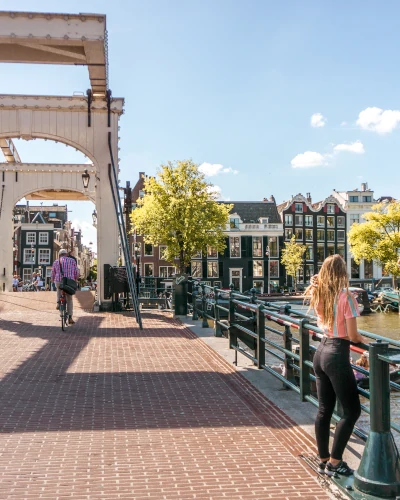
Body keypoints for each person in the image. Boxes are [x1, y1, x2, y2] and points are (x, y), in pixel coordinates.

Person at [305, 254, 363, 477]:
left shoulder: (319, 293)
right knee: (352, 411)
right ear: (343, 272)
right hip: (338, 354)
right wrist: (365, 342)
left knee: (324, 409)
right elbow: (353, 334)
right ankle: (335, 463)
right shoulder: (346, 296)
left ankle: (323, 460)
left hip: (321, 351)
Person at [51, 249, 79, 324]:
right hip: (69, 282)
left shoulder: (56, 262)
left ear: (59, 255)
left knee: (59, 291)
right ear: (66, 254)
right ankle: (70, 317)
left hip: (59, 280)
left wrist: (52, 279)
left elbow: (53, 272)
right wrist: (76, 278)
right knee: (69, 299)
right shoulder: (72, 261)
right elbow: (76, 271)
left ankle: (58, 304)